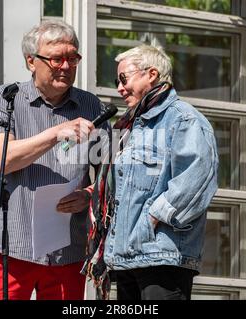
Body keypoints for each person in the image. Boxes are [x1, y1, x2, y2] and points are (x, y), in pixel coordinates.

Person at [0, 20, 109, 300]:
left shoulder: (92, 107)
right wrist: (55, 134)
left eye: (72, 58)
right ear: (31, 61)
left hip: (68, 250)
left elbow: (110, 175)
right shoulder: (6, 99)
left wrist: (89, 195)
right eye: (56, 59)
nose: (66, 66)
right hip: (11, 247)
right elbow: (3, 159)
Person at [83, 45, 219, 300]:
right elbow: (119, 187)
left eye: (124, 79)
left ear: (152, 74)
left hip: (162, 256)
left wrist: (152, 218)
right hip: (126, 257)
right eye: (117, 80)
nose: (119, 88)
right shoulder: (128, 126)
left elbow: (198, 179)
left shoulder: (183, 119)